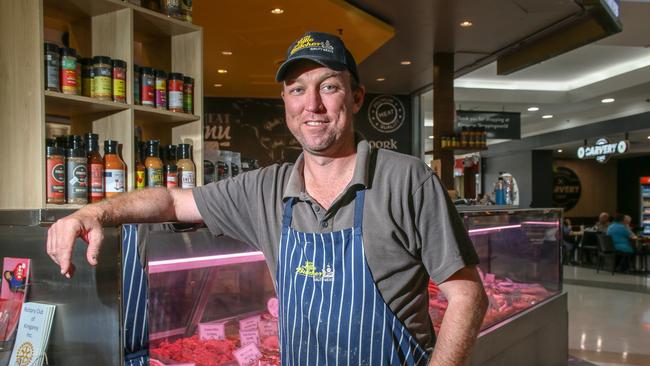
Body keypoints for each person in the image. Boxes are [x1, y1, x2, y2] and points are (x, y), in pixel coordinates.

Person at [47, 32, 488, 365]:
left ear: (355, 98)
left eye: (328, 86)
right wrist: (91, 211)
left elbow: (467, 296)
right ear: (285, 103)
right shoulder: (266, 188)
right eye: (297, 89)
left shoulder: (406, 180)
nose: (311, 104)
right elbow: (170, 201)